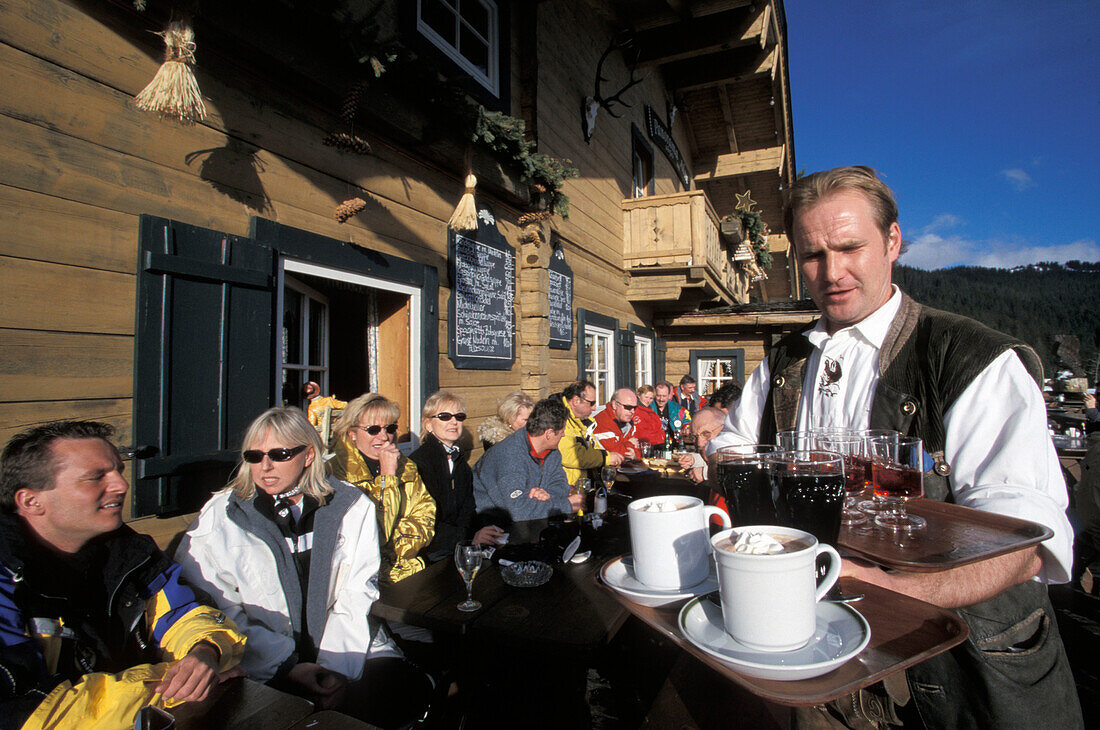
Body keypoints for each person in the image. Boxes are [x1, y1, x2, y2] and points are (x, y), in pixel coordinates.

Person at [710, 165, 1080, 727]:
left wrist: (895, 588)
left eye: (850, 247)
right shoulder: (784, 362)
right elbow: (731, 447)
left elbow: (1029, 540)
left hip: (968, 666)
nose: (831, 272)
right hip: (817, 653)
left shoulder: (969, 357)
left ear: (893, 241)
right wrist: (772, 477)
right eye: (812, 255)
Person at [175, 407, 431, 729]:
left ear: (309, 455)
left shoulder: (351, 506)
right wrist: (286, 665)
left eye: (280, 454)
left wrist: (333, 669)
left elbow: (355, 594)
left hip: (347, 649)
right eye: (254, 456)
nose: (265, 466)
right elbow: (218, 608)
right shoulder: (222, 517)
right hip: (261, 659)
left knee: (400, 694)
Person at [0, 421, 245, 729]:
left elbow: (184, 613)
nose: (120, 484)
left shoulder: (131, 554)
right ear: (31, 501)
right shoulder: (6, 577)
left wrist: (205, 651)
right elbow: (32, 713)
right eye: (95, 477)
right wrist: (171, 685)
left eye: (118, 469)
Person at [329, 393, 435, 584]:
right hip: (358, 579)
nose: (384, 437)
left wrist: (396, 547)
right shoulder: (337, 473)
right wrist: (387, 477)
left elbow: (426, 515)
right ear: (352, 434)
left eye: (390, 428)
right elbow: (374, 533)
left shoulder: (406, 466)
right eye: (373, 429)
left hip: (407, 570)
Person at [410, 391, 504, 562]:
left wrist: (483, 530)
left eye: (459, 416)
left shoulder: (460, 465)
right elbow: (428, 521)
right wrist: (469, 538)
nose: (454, 421)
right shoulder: (419, 463)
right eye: (445, 416)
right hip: (430, 554)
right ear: (428, 425)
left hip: (457, 547)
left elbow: (467, 510)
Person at [473, 398, 584, 521]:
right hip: (492, 525)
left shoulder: (551, 452)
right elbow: (519, 511)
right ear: (549, 433)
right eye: (562, 431)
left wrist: (547, 495)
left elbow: (560, 482)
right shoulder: (510, 456)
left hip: (530, 522)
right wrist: (566, 505)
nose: (563, 435)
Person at [557, 380, 623, 486]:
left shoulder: (582, 421)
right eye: (591, 403)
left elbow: (593, 448)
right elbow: (570, 455)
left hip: (583, 485)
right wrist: (606, 458)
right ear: (576, 401)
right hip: (567, 489)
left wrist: (607, 459)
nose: (594, 408)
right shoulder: (559, 418)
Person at [677, 407, 726, 484]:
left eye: (706, 434)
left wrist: (705, 473)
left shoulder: (741, 450)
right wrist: (694, 459)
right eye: (694, 437)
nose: (699, 443)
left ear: (723, 429)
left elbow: (733, 470)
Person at [592, 388, 642, 460]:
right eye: (628, 407)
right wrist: (629, 443)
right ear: (614, 405)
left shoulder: (629, 422)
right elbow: (614, 454)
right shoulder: (602, 422)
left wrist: (635, 456)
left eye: (635, 408)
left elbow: (636, 450)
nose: (632, 411)